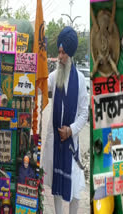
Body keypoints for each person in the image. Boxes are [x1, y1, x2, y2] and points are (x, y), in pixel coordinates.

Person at [42, 26, 89, 214]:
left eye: (62, 53)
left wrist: (70, 130)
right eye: (59, 52)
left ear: (69, 54)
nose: (59, 57)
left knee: (76, 190)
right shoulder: (55, 76)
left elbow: (84, 114)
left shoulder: (80, 80)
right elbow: (42, 86)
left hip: (71, 143)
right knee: (57, 187)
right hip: (55, 143)